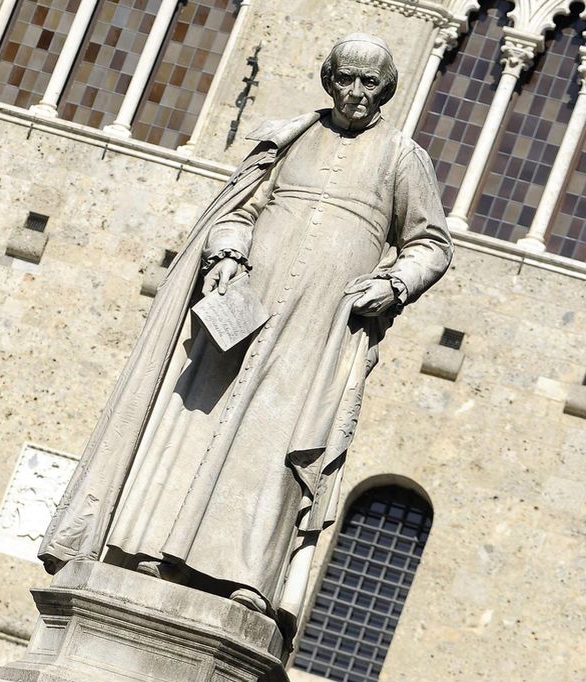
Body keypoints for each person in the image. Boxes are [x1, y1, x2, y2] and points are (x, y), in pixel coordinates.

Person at [38, 34, 452, 630]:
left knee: (278, 442)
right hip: (246, 307)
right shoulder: (290, 138)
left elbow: (431, 244)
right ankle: (149, 547)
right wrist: (229, 250)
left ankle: (249, 578)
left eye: (369, 83)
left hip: (319, 326)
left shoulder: (401, 157)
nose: (356, 93)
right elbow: (240, 208)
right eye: (346, 79)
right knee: (194, 420)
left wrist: (394, 284)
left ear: (385, 89)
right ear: (330, 80)